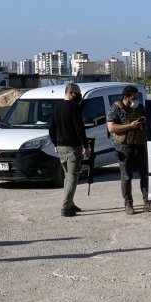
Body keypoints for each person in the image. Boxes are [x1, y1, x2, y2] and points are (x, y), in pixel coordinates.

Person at [106, 85, 151, 215]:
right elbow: (111, 128)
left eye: (137, 96)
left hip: (140, 144)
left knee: (145, 174)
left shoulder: (140, 107)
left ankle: (148, 202)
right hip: (124, 146)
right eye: (133, 97)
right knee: (126, 177)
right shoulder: (116, 108)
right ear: (126, 97)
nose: (136, 99)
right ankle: (128, 203)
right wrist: (130, 126)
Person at [48, 83, 90, 217]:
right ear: (71, 92)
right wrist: (86, 146)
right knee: (72, 177)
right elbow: (79, 129)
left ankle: (70, 203)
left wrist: (55, 143)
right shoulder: (74, 108)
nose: (79, 95)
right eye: (77, 92)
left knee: (67, 177)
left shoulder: (57, 107)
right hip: (73, 148)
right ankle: (66, 207)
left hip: (61, 147)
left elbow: (51, 129)